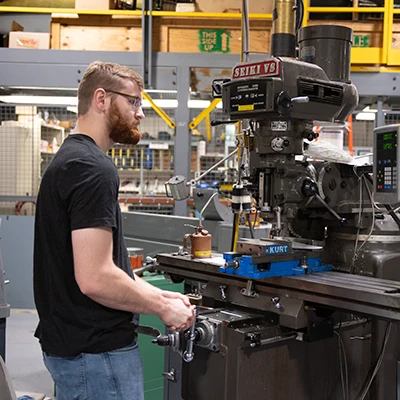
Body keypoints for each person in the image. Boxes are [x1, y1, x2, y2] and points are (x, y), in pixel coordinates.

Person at [33, 61, 195, 400]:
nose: (140, 113)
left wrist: (161, 296)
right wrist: (164, 310)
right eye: (133, 101)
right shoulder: (93, 168)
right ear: (102, 99)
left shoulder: (69, 159)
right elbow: (96, 278)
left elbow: (110, 268)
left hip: (77, 350)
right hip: (97, 357)